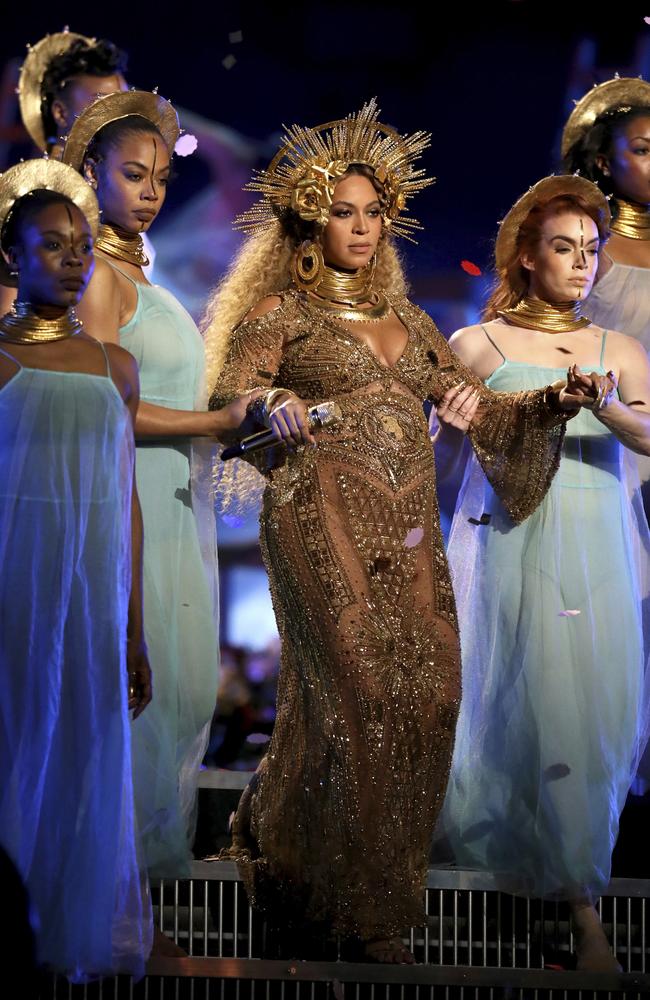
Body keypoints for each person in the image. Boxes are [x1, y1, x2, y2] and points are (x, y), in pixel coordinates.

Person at [203, 101, 605, 963]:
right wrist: (269, 404)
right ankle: (364, 918)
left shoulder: (414, 323)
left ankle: (294, 850)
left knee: (431, 697)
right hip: (316, 516)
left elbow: (482, 414)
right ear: (312, 219)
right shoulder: (282, 313)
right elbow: (228, 406)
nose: (359, 225)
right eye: (342, 210)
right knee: (360, 695)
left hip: (410, 530)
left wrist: (548, 403)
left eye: (372, 211)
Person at [437, 174, 650, 973]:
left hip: (593, 553)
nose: (582, 263)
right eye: (564, 248)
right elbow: (444, 461)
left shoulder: (618, 350)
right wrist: (453, 431)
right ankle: (538, 910)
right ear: (526, 256)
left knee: (579, 715)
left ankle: (574, 901)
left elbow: (648, 437)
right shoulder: (478, 345)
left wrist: (604, 406)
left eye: (592, 250)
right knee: (509, 709)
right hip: (508, 545)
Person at [61, 90, 249, 880]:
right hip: (130, 506)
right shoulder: (100, 278)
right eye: (132, 174)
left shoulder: (149, 276)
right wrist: (211, 425)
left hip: (175, 509)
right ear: (90, 174)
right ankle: (107, 909)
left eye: (162, 180)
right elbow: (101, 408)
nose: (150, 191)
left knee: (163, 705)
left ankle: (127, 909)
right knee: (128, 705)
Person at [0, 158, 152, 981]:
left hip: (88, 597)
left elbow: (124, 503)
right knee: (11, 744)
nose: (70, 258)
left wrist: (135, 628)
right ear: (11, 257)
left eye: (81, 246)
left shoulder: (114, 368)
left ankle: (60, 941)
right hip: (11, 588)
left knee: (78, 757)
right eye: (50, 244)